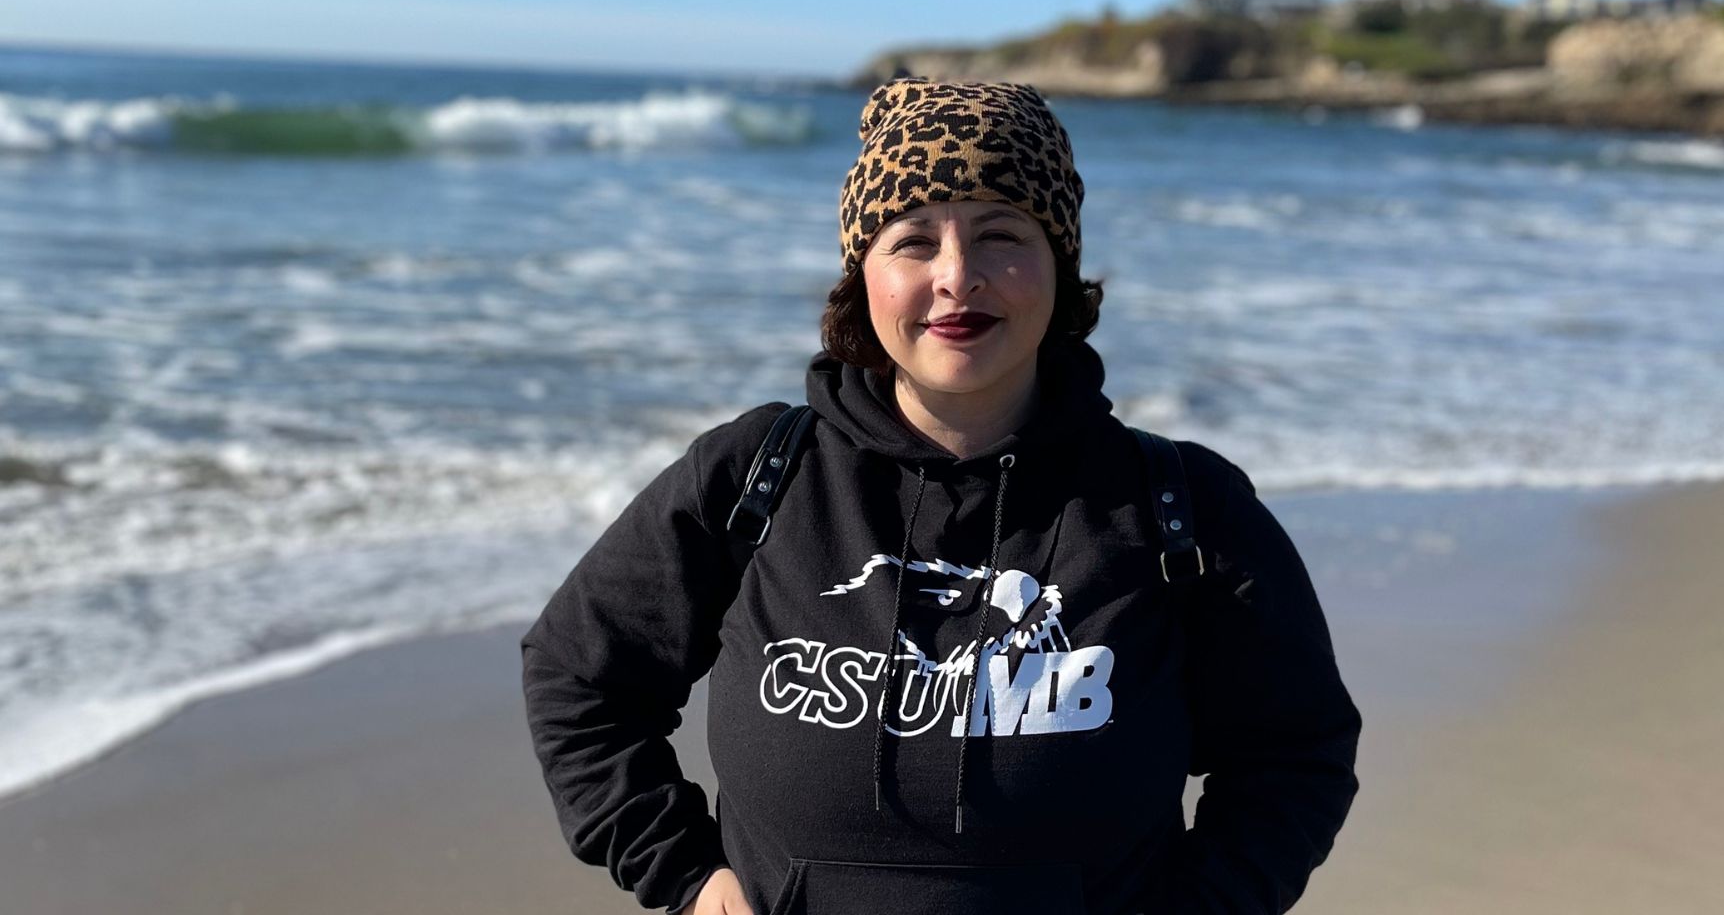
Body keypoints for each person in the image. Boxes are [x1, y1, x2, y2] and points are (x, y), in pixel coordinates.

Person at [520, 77, 1361, 915]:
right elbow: (577, 676)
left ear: (1058, 267)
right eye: (914, 242)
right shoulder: (754, 476)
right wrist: (687, 876)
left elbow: (1295, 755)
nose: (958, 277)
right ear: (864, 278)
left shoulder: (1176, 501)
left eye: (1002, 235)